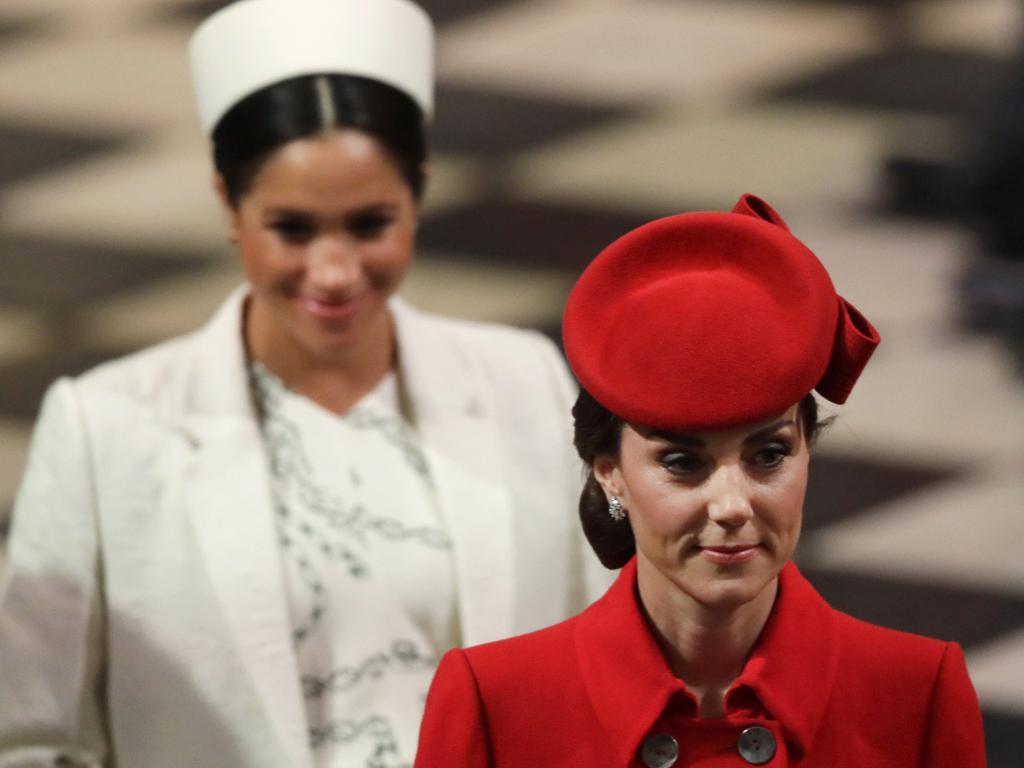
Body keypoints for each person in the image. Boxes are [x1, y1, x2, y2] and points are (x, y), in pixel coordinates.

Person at [0, 1, 609, 766]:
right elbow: (31, 735)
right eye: (292, 229)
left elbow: (611, 661)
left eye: (369, 225)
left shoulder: (526, 381)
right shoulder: (104, 428)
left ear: (418, 192)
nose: (334, 271)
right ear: (228, 203)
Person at [414, 194, 987, 767]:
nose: (733, 505)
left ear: (807, 453)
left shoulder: (915, 692)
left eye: (769, 454)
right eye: (683, 463)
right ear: (608, 471)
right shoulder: (497, 703)